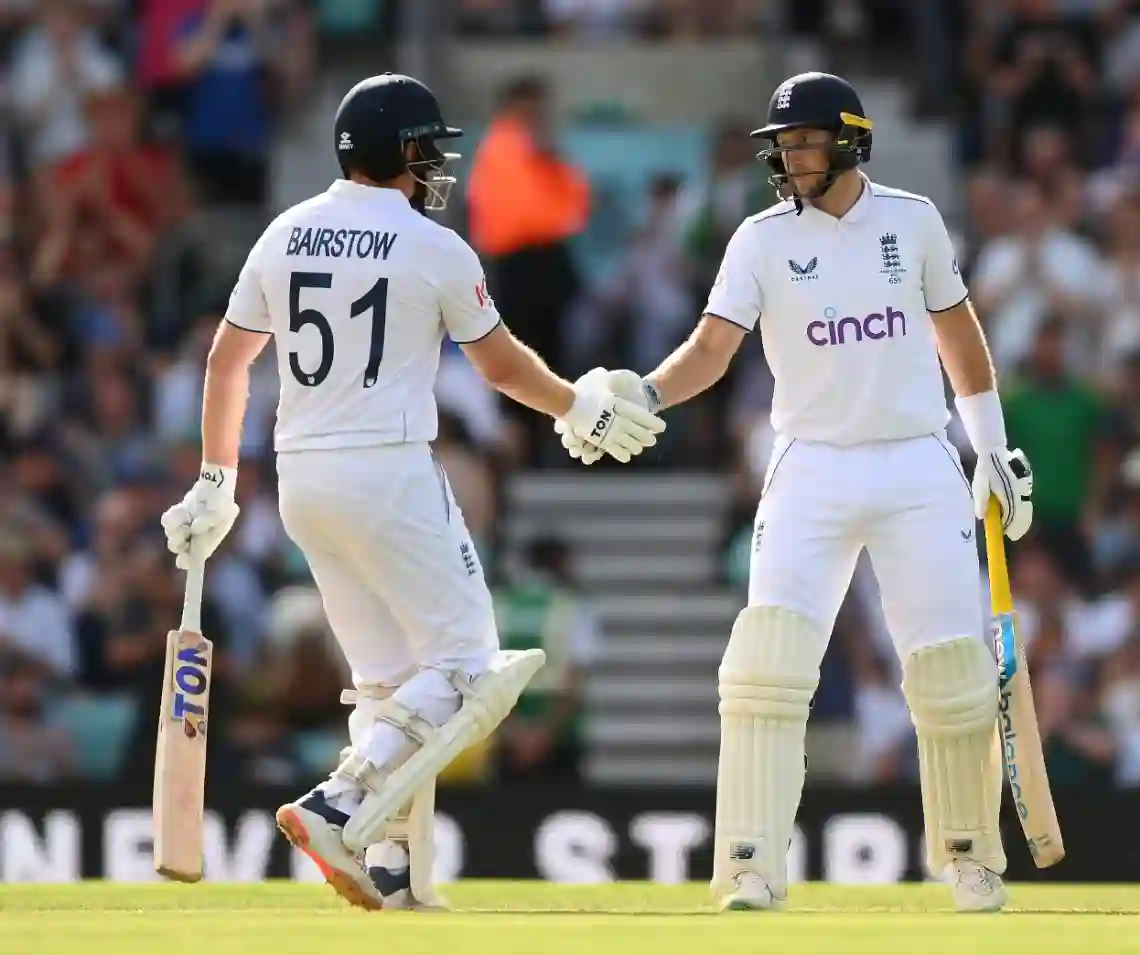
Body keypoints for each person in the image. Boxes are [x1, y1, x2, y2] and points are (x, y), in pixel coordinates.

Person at [158, 73, 665, 912]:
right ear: (401, 153)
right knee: (473, 665)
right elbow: (500, 365)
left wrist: (215, 476)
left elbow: (228, 362)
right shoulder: (434, 247)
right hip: (387, 470)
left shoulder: (286, 231)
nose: (436, 167)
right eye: (428, 150)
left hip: (301, 478)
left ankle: (385, 861)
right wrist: (580, 404)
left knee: (387, 681)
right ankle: (339, 799)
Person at [560, 72, 1034, 912]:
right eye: (782, 145)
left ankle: (968, 854)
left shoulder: (913, 220)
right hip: (810, 464)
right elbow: (712, 347)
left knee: (952, 670)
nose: (790, 158)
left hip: (917, 461)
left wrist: (991, 447)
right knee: (765, 669)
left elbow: (957, 330)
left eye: (806, 142)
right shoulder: (758, 239)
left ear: (851, 140)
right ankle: (750, 862)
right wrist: (648, 394)